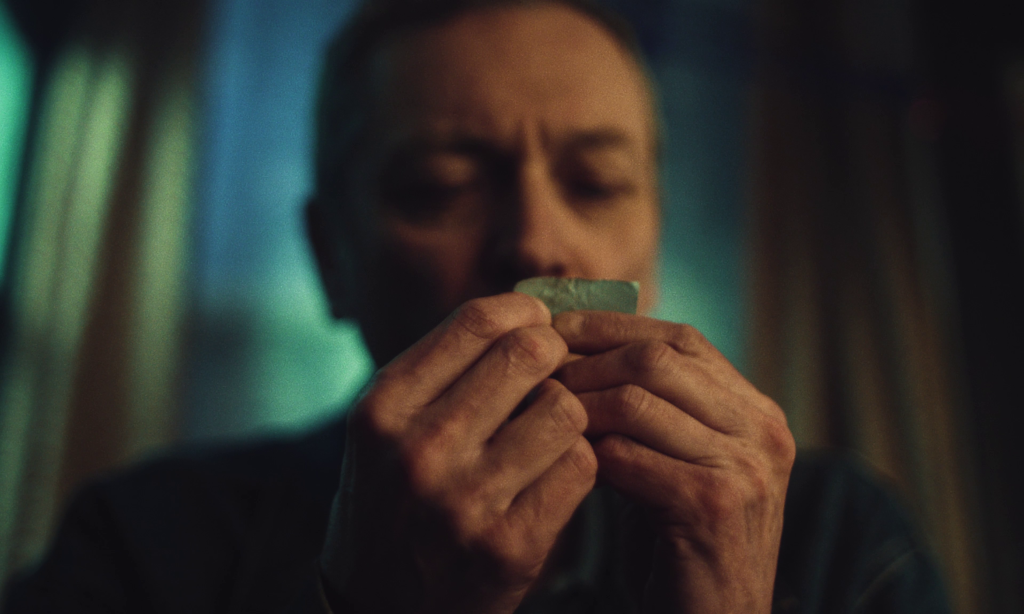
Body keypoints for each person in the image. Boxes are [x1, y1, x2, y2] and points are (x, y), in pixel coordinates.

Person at [3, 0, 952, 613]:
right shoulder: (143, 547)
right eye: (442, 187)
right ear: (333, 257)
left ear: (654, 234)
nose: (537, 242)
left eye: (596, 181)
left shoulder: (838, 542)